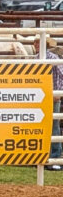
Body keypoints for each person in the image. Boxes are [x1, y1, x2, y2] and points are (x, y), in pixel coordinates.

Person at [35, 37, 63, 170]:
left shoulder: (53, 58)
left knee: (54, 125)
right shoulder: (36, 58)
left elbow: (62, 75)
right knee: (44, 125)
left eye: (38, 42)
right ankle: (46, 155)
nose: (36, 45)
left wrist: (58, 93)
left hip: (51, 96)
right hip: (39, 96)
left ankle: (55, 156)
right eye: (35, 42)